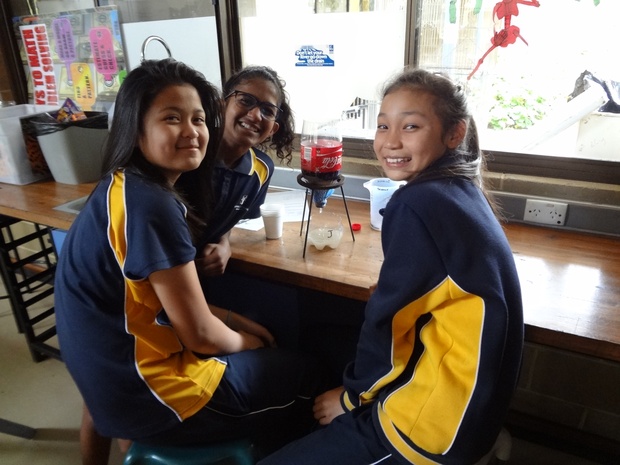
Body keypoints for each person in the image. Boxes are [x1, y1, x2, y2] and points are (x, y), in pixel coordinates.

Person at [54, 59, 324, 464]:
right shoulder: (154, 205)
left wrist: (233, 319)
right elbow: (198, 334)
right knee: (307, 375)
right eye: (171, 118)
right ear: (136, 126)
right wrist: (247, 343)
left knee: (259, 346)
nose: (191, 131)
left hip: (110, 371)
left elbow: (156, 301)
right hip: (148, 393)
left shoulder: (124, 184)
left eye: (197, 119)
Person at [258, 69, 524, 464]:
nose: (391, 141)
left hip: (429, 430)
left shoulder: (417, 204)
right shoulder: (460, 189)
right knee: (325, 338)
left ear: (455, 133)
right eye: (383, 126)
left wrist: (350, 399)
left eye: (411, 126)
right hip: (478, 404)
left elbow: (389, 322)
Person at [176, 65, 295, 277]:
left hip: (204, 278)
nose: (255, 115)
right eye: (246, 100)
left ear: (272, 129)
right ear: (221, 105)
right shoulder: (187, 153)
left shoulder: (261, 170)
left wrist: (224, 243)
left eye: (267, 111)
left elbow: (229, 216)